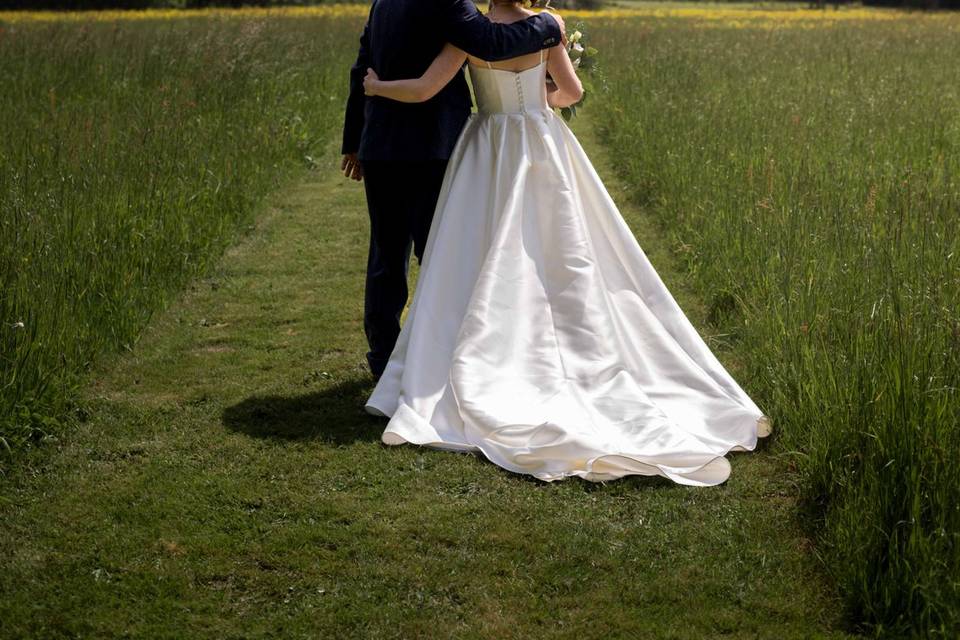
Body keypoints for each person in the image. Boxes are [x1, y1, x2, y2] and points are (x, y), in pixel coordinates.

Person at [359, 0, 772, 486]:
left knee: (479, 253)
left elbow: (427, 88)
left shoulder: (468, 32)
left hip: (485, 149)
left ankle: (474, 350)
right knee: (560, 251)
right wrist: (541, 95)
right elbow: (571, 93)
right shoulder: (548, 25)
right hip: (539, 143)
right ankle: (564, 346)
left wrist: (377, 87)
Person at [341, 0, 565, 380]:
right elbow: (491, 42)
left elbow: (361, 69)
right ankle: (439, 354)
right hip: (431, 146)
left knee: (386, 254)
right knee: (440, 253)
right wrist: (549, 25)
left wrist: (355, 141)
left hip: (381, 145)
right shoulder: (448, 3)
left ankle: (384, 358)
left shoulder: (383, 3)